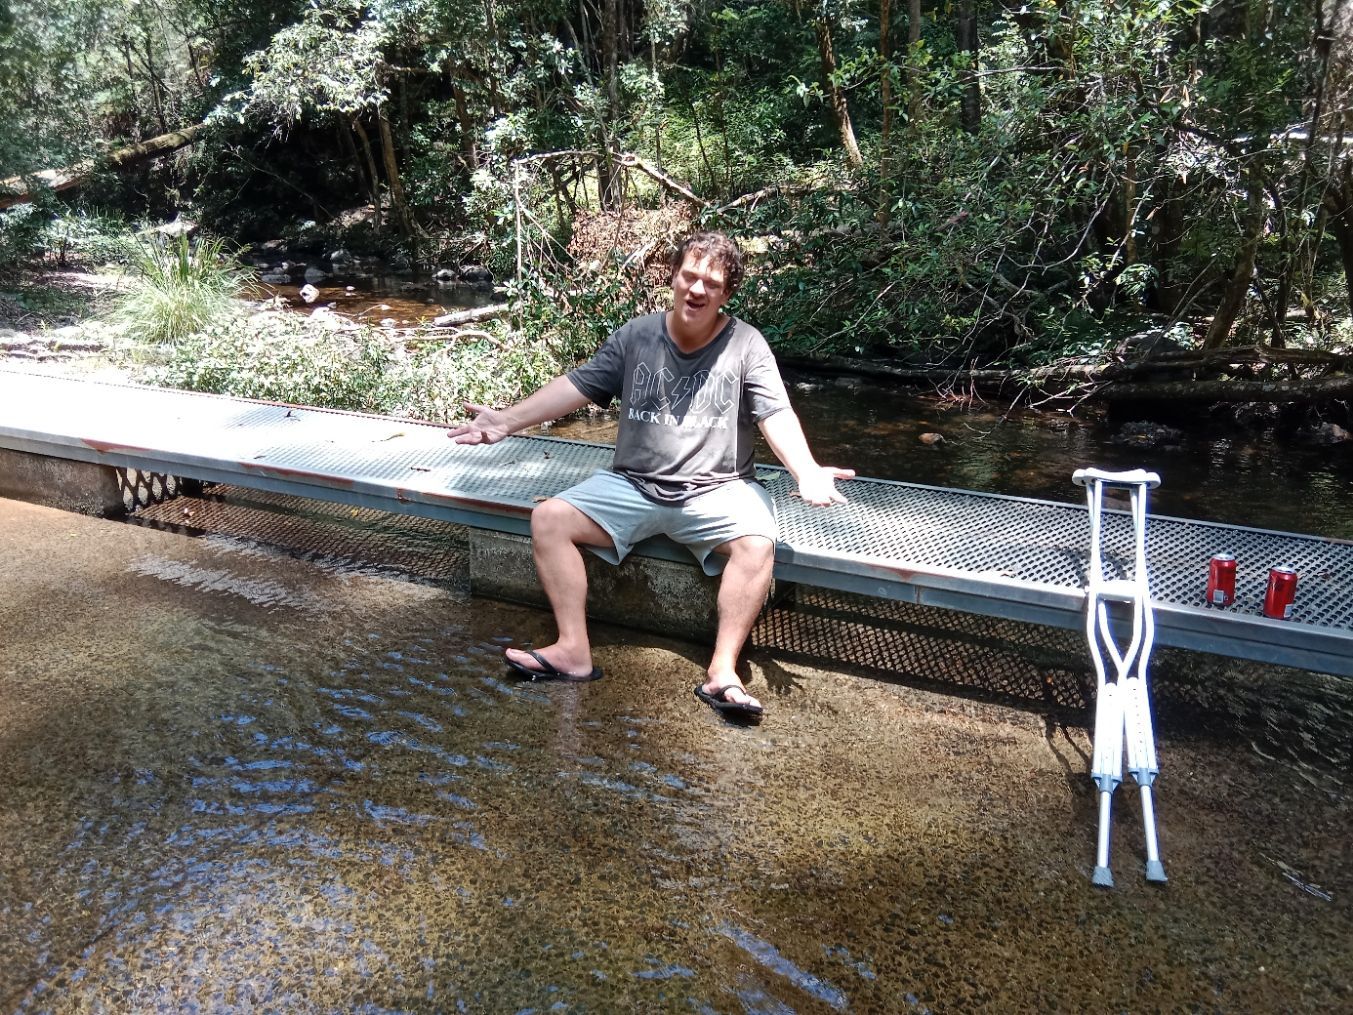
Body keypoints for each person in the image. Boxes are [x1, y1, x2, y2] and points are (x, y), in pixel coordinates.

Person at [448, 231, 852, 717]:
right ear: (673, 276)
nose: (697, 290)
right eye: (690, 276)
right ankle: (573, 651)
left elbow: (775, 413)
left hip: (718, 488)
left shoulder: (746, 344)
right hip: (633, 485)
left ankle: (722, 672)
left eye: (712, 283)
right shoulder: (637, 335)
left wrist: (805, 470)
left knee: (757, 543)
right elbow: (578, 384)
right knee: (550, 519)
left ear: (726, 293)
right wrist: (507, 420)